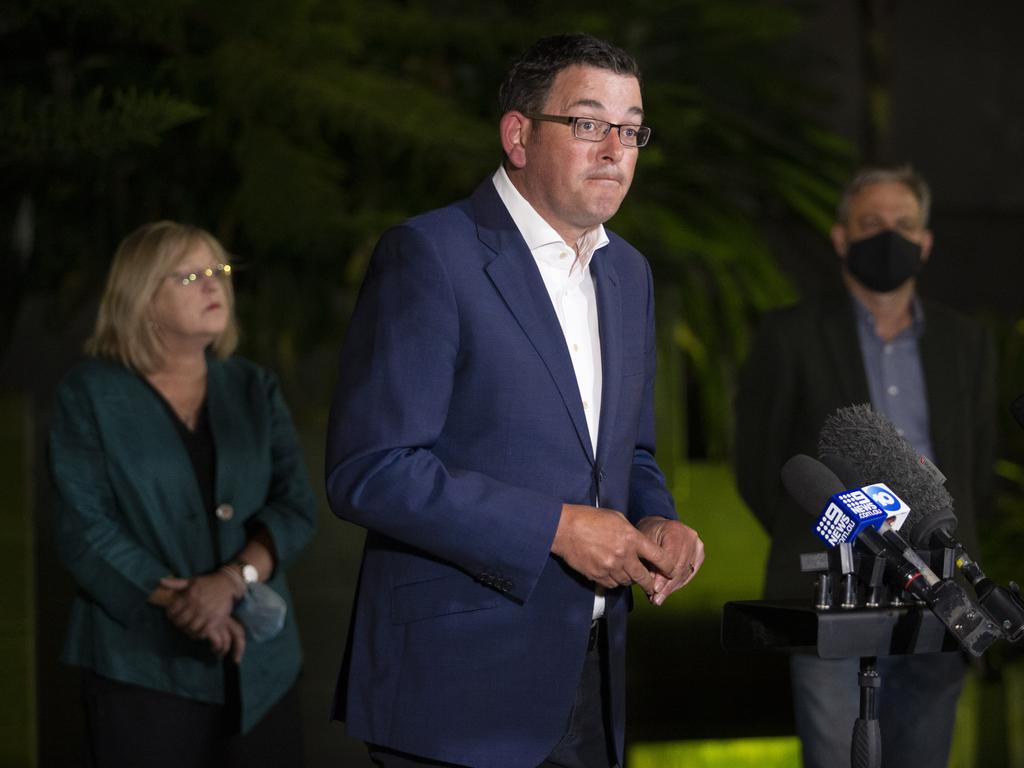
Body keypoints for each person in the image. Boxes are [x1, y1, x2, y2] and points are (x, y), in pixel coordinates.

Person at [325, 33, 705, 768]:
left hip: (593, 683)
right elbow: (370, 470)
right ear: (519, 135)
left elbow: (631, 452)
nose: (615, 150)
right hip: (457, 690)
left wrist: (658, 517)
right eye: (590, 124)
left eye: (631, 131)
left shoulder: (628, 273)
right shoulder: (431, 254)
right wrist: (555, 529)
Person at [735, 165, 996, 768]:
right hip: (832, 598)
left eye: (904, 224)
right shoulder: (788, 335)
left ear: (926, 241)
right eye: (871, 223)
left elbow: (976, 469)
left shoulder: (966, 343)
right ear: (840, 236)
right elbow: (760, 466)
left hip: (942, 600)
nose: (889, 235)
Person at [49, 221, 316, 768]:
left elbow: (295, 506)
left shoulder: (252, 387)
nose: (213, 284)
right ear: (142, 299)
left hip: (261, 670)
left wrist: (229, 581)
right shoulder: (90, 395)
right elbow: (84, 526)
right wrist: (185, 602)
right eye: (190, 275)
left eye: (217, 271)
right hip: (141, 667)